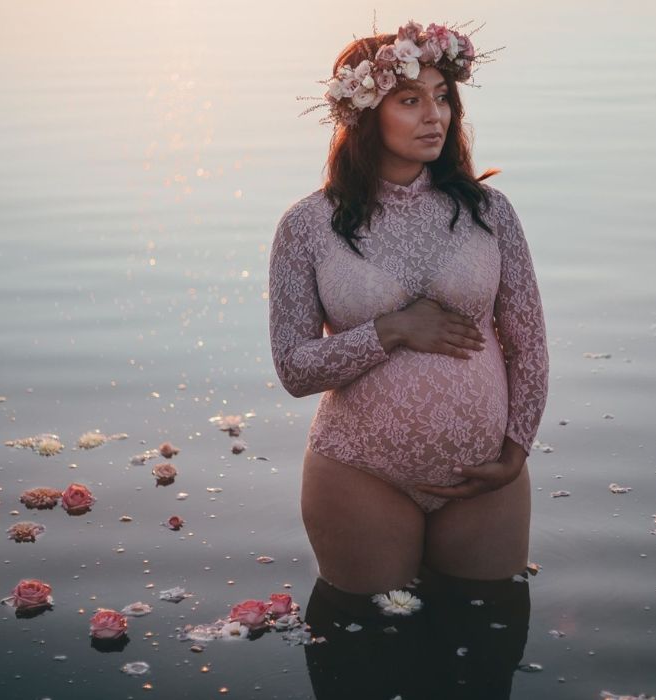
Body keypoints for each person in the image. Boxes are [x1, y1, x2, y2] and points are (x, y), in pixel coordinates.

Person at [268, 20, 548, 601]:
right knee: (369, 655)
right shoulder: (307, 226)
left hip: (485, 478)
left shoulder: (489, 212)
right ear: (364, 113)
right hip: (359, 475)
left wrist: (516, 450)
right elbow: (295, 370)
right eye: (410, 100)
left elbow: (528, 344)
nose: (435, 116)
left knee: (485, 656)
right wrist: (391, 330)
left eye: (444, 97)